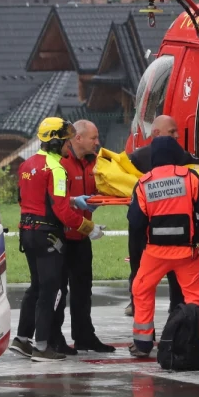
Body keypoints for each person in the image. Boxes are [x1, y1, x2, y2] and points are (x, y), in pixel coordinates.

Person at [9, 118, 105, 362]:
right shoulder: (57, 169)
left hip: (27, 232)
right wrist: (88, 227)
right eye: (64, 140)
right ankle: (42, 346)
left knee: (36, 286)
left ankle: (21, 339)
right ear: (55, 141)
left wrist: (74, 200)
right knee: (51, 290)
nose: (67, 145)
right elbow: (61, 211)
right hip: (48, 235)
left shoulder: (28, 165)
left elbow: (31, 200)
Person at [126, 136, 199, 358]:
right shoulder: (190, 178)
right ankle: (198, 340)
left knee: (141, 289)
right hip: (187, 252)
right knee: (196, 295)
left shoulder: (144, 183)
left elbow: (135, 222)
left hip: (156, 252)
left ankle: (142, 343)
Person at [124, 116, 199, 317]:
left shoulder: (179, 158)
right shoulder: (136, 159)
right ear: (157, 133)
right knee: (140, 275)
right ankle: (176, 319)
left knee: (148, 284)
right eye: (172, 131)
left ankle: (164, 320)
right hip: (161, 237)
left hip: (155, 237)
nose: (177, 135)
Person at [62, 120, 116, 353]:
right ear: (78, 138)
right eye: (93, 138)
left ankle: (85, 336)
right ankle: (54, 339)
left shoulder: (94, 162)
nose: (97, 142)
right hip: (61, 237)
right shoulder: (61, 163)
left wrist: (94, 200)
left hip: (82, 235)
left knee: (84, 289)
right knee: (57, 290)